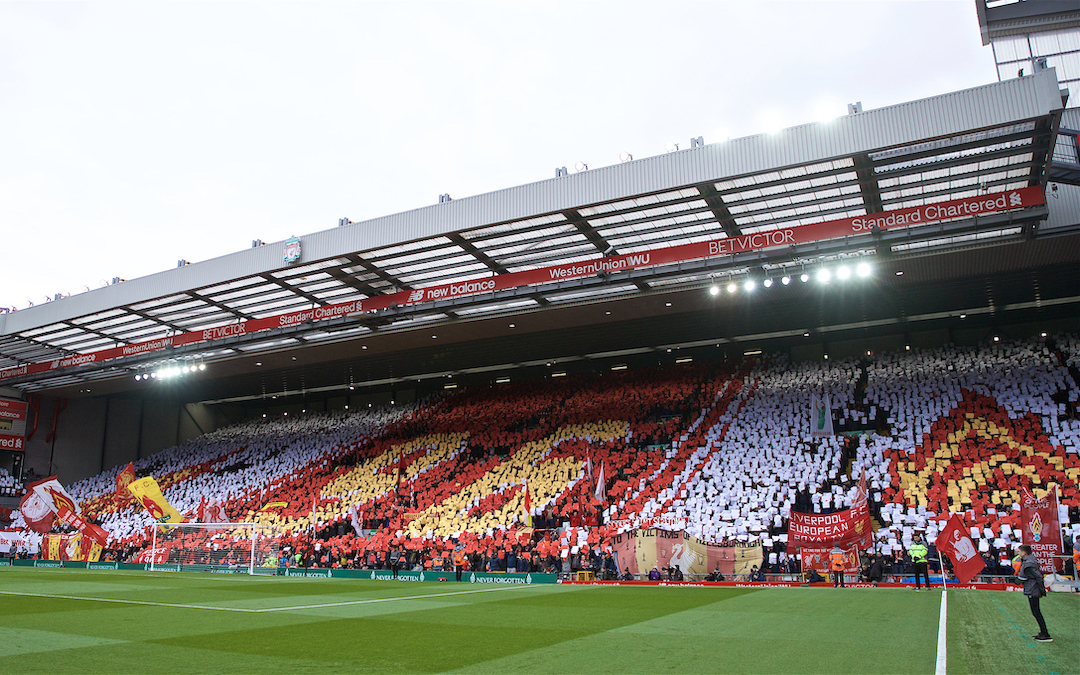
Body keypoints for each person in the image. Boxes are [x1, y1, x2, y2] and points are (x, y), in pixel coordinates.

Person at [1014, 545, 1052, 642]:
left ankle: (1045, 633)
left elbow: (1035, 577)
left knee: (1036, 611)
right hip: (1033, 588)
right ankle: (1043, 632)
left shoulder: (1029, 564)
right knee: (1035, 611)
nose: (1018, 554)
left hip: (1033, 589)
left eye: (1019, 552)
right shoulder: (1030, 562)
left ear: (1024, 553)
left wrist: (1042, 590)